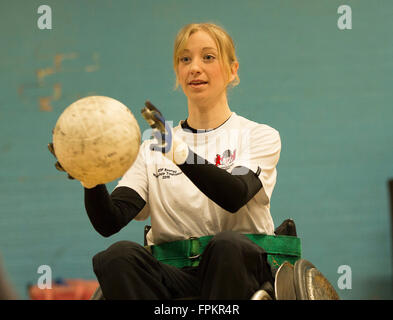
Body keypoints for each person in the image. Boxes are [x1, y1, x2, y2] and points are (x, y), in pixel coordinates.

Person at [50, 22, 281, 300]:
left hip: (239, 272)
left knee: (226, 246)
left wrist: (179, 154)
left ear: (233, 70)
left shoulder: (258, 136)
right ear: (178, 72)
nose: (195, 67)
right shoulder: (152, 150)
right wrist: (90, 177)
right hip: (174, 277)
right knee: (117, 256)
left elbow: (234, 195)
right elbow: (109, 222)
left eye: (208, 57)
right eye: (185, 59)